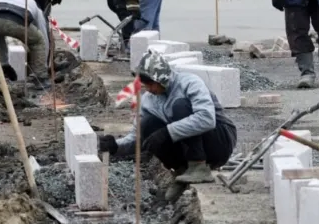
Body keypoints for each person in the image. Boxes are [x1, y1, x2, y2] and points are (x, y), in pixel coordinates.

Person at [98, 51, 237, 201]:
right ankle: (182, 172)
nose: (149, 89)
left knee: (180, 105)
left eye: (151, 84)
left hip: (219, 141)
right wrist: (116, 147)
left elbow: (207, 118)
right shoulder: (148, 101)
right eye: (146, 85)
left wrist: (167, 132)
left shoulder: (189, 83)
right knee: (147, 124)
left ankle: (198, 166)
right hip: (190, 147)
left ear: (161, 78)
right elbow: (138, 137)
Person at [0, 0, 52, 84]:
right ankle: (39, 77)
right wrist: (45, 65)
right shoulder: (38, 11)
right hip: (14, 16)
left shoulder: (24, 2)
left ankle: (3, 66)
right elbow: (43, 39)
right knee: (38, 41)